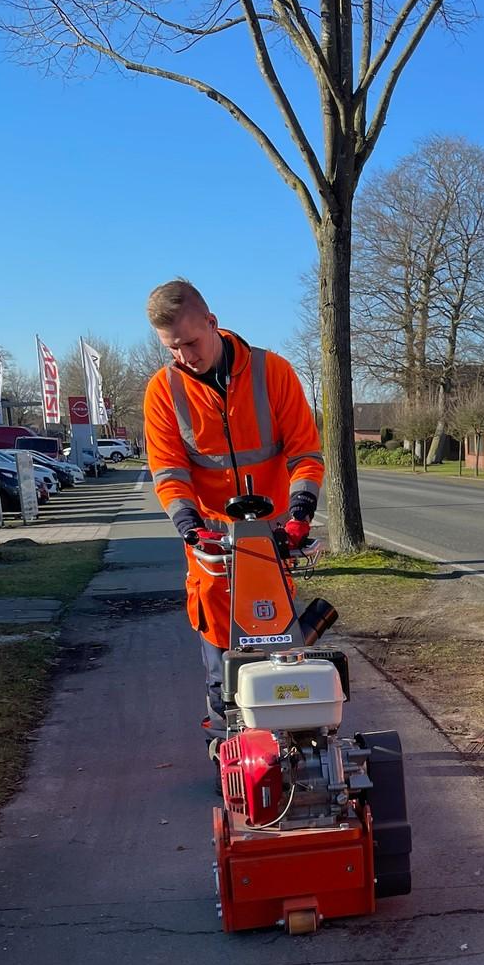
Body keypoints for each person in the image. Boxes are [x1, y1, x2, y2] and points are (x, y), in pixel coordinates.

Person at [143, 279, 324, 735]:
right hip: (213, 544)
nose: (185, 355)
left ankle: (295, 740)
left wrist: (300, 513)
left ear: (213, 323)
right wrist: (190, 530)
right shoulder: (164, 392)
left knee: (282, 644)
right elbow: (168, 473)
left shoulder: (273, 373)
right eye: (173, 348)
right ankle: (230, 746)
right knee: (221, 655)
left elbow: (305, 453)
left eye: (191, 342)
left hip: (275, 539)